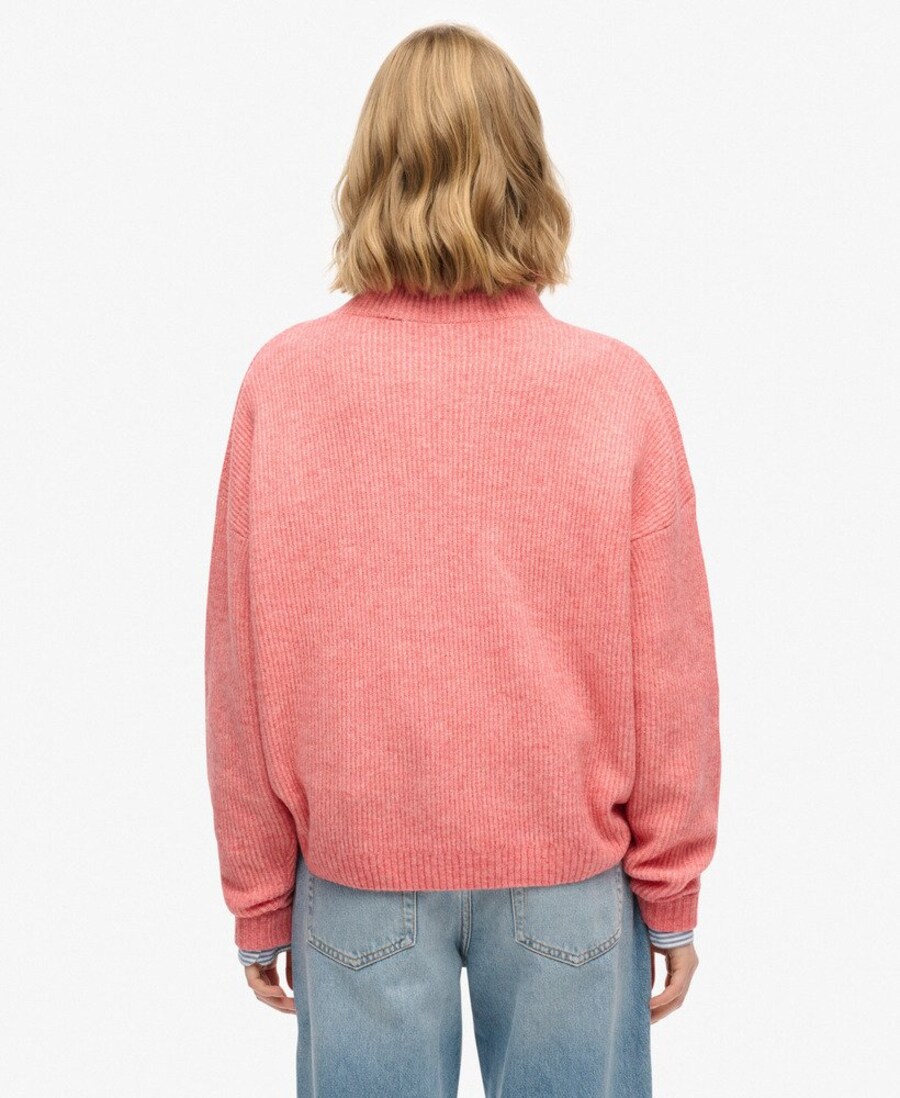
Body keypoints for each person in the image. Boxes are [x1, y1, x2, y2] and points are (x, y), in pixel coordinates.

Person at [205, 22, 720, 1098]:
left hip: (358, 877)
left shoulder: (285, 385)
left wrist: (259, 895)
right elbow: (670, 666)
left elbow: (240, 669)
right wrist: (670, 891)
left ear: (371, 173)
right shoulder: (616, 390)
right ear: (527, 174)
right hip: (571, 881)